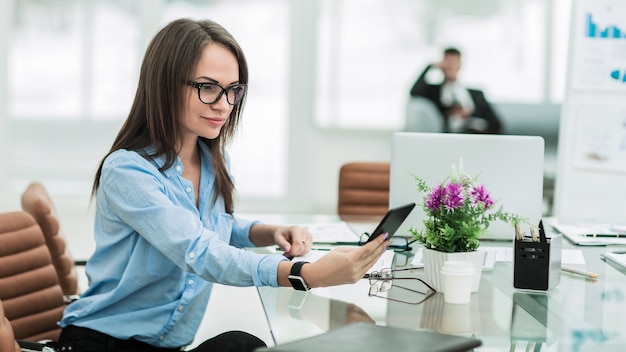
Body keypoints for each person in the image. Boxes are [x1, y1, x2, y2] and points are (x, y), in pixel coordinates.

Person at [52, 18, 390, 352]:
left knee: (245, 344)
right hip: (102, 343)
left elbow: (213, 227)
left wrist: (269, 232)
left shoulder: (212, 160)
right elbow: (199, 250)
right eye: (208, 87)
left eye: (233, 90)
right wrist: (306, 274)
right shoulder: (128, 171)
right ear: (165, 85)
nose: (224, 104)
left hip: (162, 347)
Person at [409, 47, 502, 134]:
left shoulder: (476, 94)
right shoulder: (433, 91)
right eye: (448, 63)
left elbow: (496, 124)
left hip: (478, 136)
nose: (451, 66)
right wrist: (430, 66)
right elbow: (414, 92)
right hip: (452, 136)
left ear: (460, 65)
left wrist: (469, 113)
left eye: (454, 63)